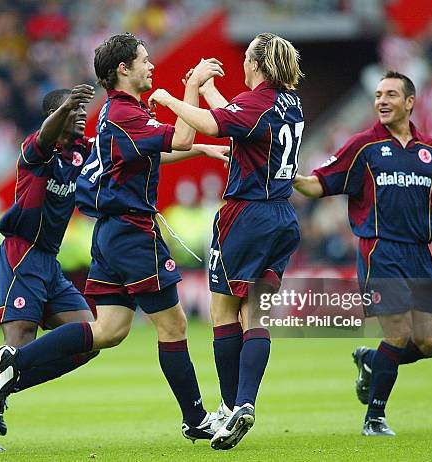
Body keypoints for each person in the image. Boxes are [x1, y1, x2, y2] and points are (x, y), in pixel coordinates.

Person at [0, 33, 230, 443]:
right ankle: (196, 418)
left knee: (110, 329)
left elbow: (162, 149)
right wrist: (191, 88)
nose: (151, 66)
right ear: (124, 69)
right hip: (133, 233)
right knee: (174, 326)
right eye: (145, 60)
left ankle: (13, 365)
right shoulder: (123, 113)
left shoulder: (119, 113)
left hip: (112, 233)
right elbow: (180, 137)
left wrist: (202, 150)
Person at [294, 71, 432, 436]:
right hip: (379, 251)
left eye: (391, 95)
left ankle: (372, 359)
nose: (381, 100)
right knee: (397, 332)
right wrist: (287, 177)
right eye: (378, 95)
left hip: (418, 254)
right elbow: (320, 182)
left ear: (410, 102)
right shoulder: (363, 145)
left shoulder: (429, 150)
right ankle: (374, 418)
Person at [148, 32, 304, 449]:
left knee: (222, 310)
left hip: (247, 215)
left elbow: (216, 124)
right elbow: (238, 118)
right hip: (283, 216)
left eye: (248, 59)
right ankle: (245, 404)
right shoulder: (289, 103)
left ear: (256, 65)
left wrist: (170, 97)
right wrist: (211, 88)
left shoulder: (257, 104)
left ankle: (231, 405)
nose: (244, 65)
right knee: (256, 313)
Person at [0, 84, 98, 451]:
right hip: (21, 256)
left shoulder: (81, 153)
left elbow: (123, 153)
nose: (82, 117)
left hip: (49, 261)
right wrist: (63, 110)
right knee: (19, 344)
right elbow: (47, 132)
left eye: (83, 112)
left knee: (89, 339)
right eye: (74, 113)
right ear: (57, 116)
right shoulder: (36, 152)